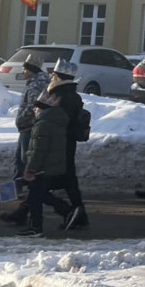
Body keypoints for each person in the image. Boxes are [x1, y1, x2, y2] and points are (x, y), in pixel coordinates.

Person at [15, 91, 69, 237]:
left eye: (37, 107)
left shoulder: (43, 124)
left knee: (35, 198)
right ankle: (66, 211)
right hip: (49, 166)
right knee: (38, 195)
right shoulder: (54, 121)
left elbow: (38, 150)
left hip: (42, 168)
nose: (34, 110)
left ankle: (36, 228)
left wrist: (30, 169)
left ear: (43, 109)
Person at [45, 59, 89, 229]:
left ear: (58, 76)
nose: (51, 76)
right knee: (70, 181)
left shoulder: (58, 96)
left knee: (40, 182)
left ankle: (67, 210)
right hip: (68, 143)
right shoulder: (74, 95)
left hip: (57, 144)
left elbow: (55, 121)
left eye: (53, 74)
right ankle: (80, 214)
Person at [13, 54, 48, 183]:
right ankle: (18, 186)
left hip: (28, 126)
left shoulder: (35, 84)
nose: (23, 71)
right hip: (27, 126)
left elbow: (33, 106)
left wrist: (22, 119)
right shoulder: (37, 81)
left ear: (31, 69)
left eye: (25, 69)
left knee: (25, 160)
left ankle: (30, 187)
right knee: (19, 159)